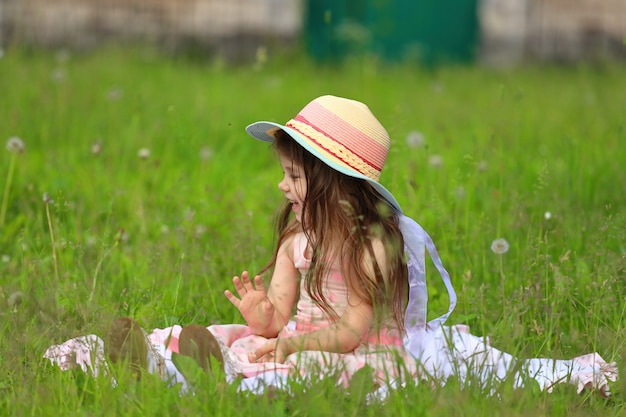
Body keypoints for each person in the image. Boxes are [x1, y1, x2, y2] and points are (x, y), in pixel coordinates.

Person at [44, 95, 618, 397]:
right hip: (300, 339)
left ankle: (189, 376)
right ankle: (159, 357)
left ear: (332, 182)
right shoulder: (300, 238)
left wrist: (291, 347)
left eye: (294, 177)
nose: (282, 186)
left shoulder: (373, 247)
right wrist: (262, 318)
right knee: (242, 342)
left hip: (360, 352)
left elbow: (351, 333)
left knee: (304, 369)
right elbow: (278, 316)